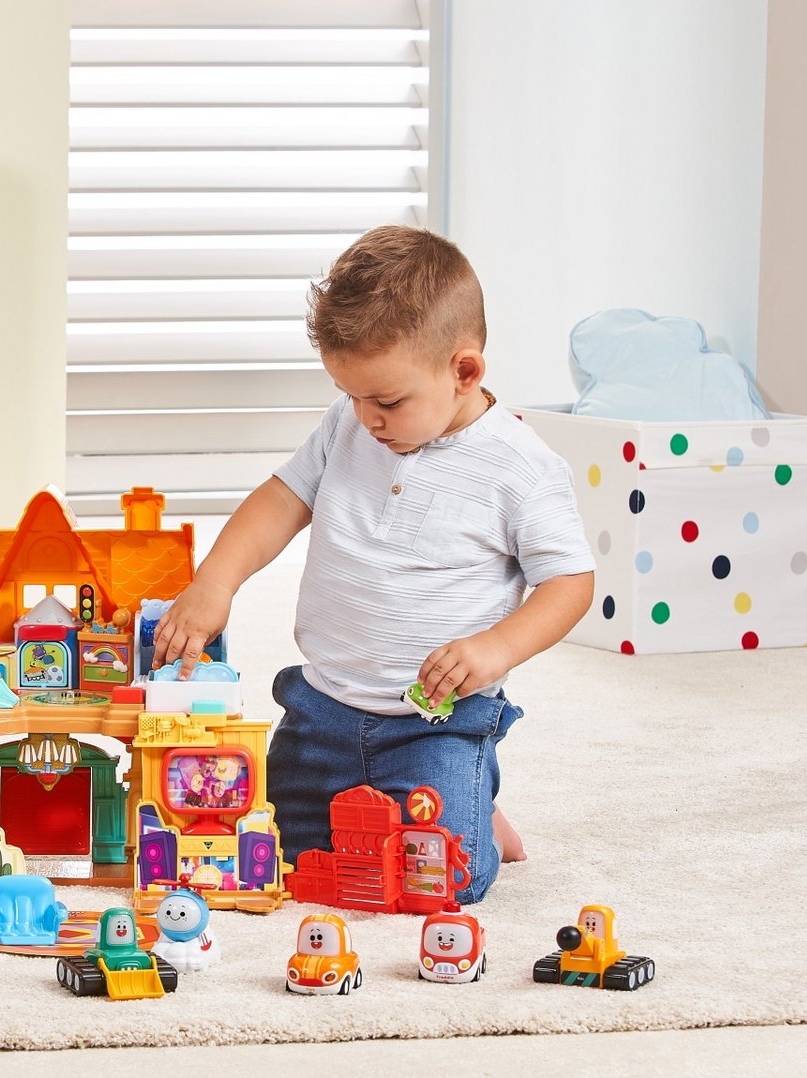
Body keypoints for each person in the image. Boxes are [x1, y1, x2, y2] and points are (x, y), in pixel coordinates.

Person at [151, 225, 594, 903]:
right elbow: (281, 500)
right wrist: (217, 581)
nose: (366, 417)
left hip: (434, 720)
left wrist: (496, 648)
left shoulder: (522, 469)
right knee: (275, 855)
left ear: (464, 372)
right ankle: (459, 795)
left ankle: (472, 792)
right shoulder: (348, 425)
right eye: (350, 394)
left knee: (448, 880)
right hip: (322, 709)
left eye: (386, 401)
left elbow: (569, 581)